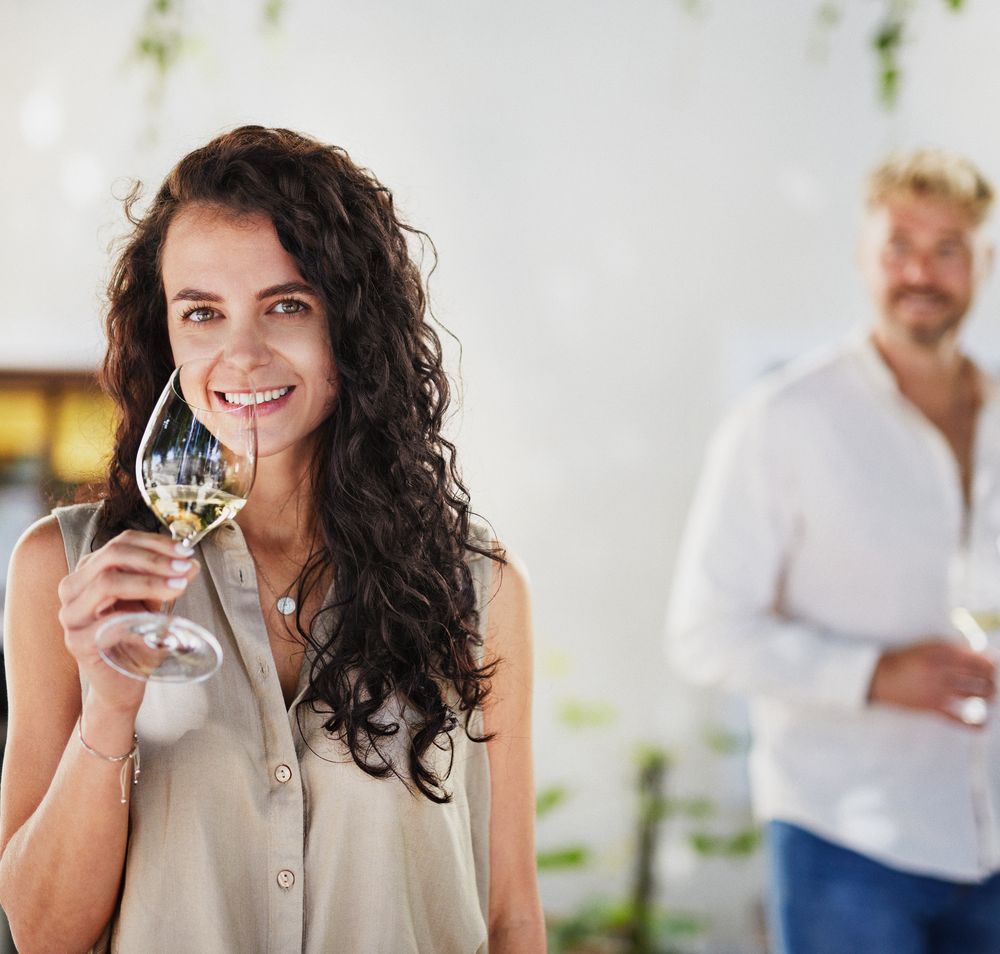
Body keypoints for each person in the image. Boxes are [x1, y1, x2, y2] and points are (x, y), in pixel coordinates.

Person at [0, 126, 545, 953]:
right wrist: (109, 710)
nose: (242, 354)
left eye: (287, 304)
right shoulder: (65, 571)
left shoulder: (476, 585)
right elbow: (42, 934)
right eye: (203, 312)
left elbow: (508, 917)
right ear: (167, 332)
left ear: (353, 323)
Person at [667, 148, 1000, 953]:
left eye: (947, 249)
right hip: (847, 846)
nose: (920, 272)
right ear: (863, 257)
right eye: (898, 247)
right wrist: (875, 676)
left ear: (983, 261)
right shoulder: (783, 421)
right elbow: (704, 635)